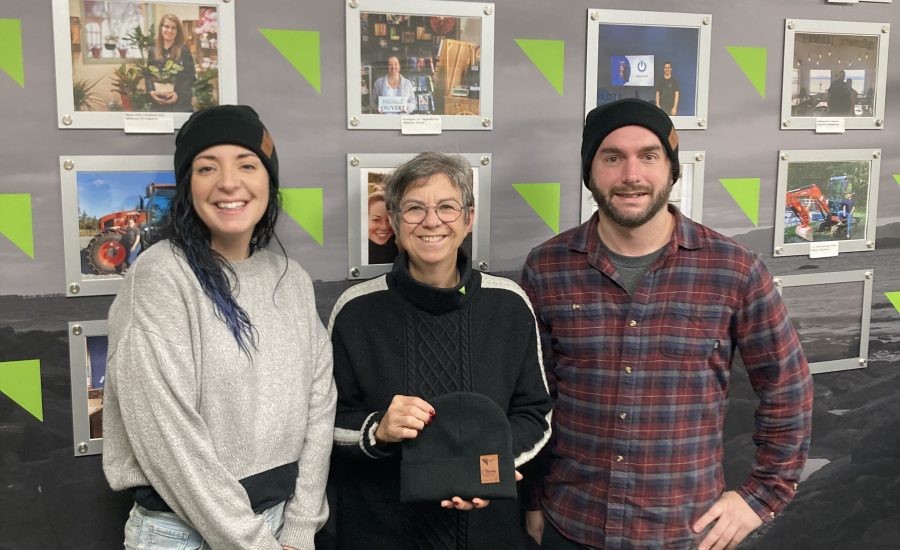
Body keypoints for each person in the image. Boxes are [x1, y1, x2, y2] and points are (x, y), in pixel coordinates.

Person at [520, 98, 813, 550]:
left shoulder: (734, 269)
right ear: (589, 171)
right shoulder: (547, 267)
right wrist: (532, 499)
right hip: (570, 526)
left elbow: (788, 390)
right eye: (612, 157)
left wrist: (761, 498)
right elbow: (535, 399)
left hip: (684, 534)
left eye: (649, 156)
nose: (631, 175)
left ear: (672, 170)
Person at [103, 105, 336, 549]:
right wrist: (256, 544)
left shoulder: (291, 279)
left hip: (279, 524)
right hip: (181, 534)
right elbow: (167, 438)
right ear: (188, 185)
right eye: (207, 167)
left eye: (247, 164)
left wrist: (302, 526)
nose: (229, 182)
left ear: (269, 179)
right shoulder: (160, 277)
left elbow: (320, 404)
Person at [328, 152, 553, 550]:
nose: (432, 221)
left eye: (446, 207)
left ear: (467, 219)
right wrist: (378, 430)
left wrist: (489, 471)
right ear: (395, 222)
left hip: (489, 534)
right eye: (414, 208)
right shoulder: (355, 310)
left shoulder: (510, 305)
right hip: (380, 533)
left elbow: (536, 414)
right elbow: (324, 425)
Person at [145, 13, 196, 112]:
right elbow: (148, 75)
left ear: (177, 31)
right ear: (161, 28)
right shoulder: (152, 50)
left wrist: (178, 94)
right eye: (166, 26)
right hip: (158, 104)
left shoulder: (184, 51)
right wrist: (151, 92)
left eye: (173, 28)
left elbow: (191, 78)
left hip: (180, 105)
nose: (169, 30)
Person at [367, 191, 398, 264]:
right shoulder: (355, 254)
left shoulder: (397, 247)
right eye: (376, 220)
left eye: (389, 220)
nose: (384, 227)